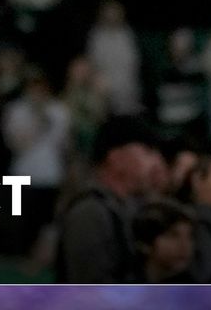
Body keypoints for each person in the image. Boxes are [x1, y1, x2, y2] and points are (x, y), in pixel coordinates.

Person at [55, 115, 161, 283]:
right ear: (116, 158)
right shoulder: (90, 213)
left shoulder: (130, 208)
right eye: (147, 152)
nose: (155, 164)